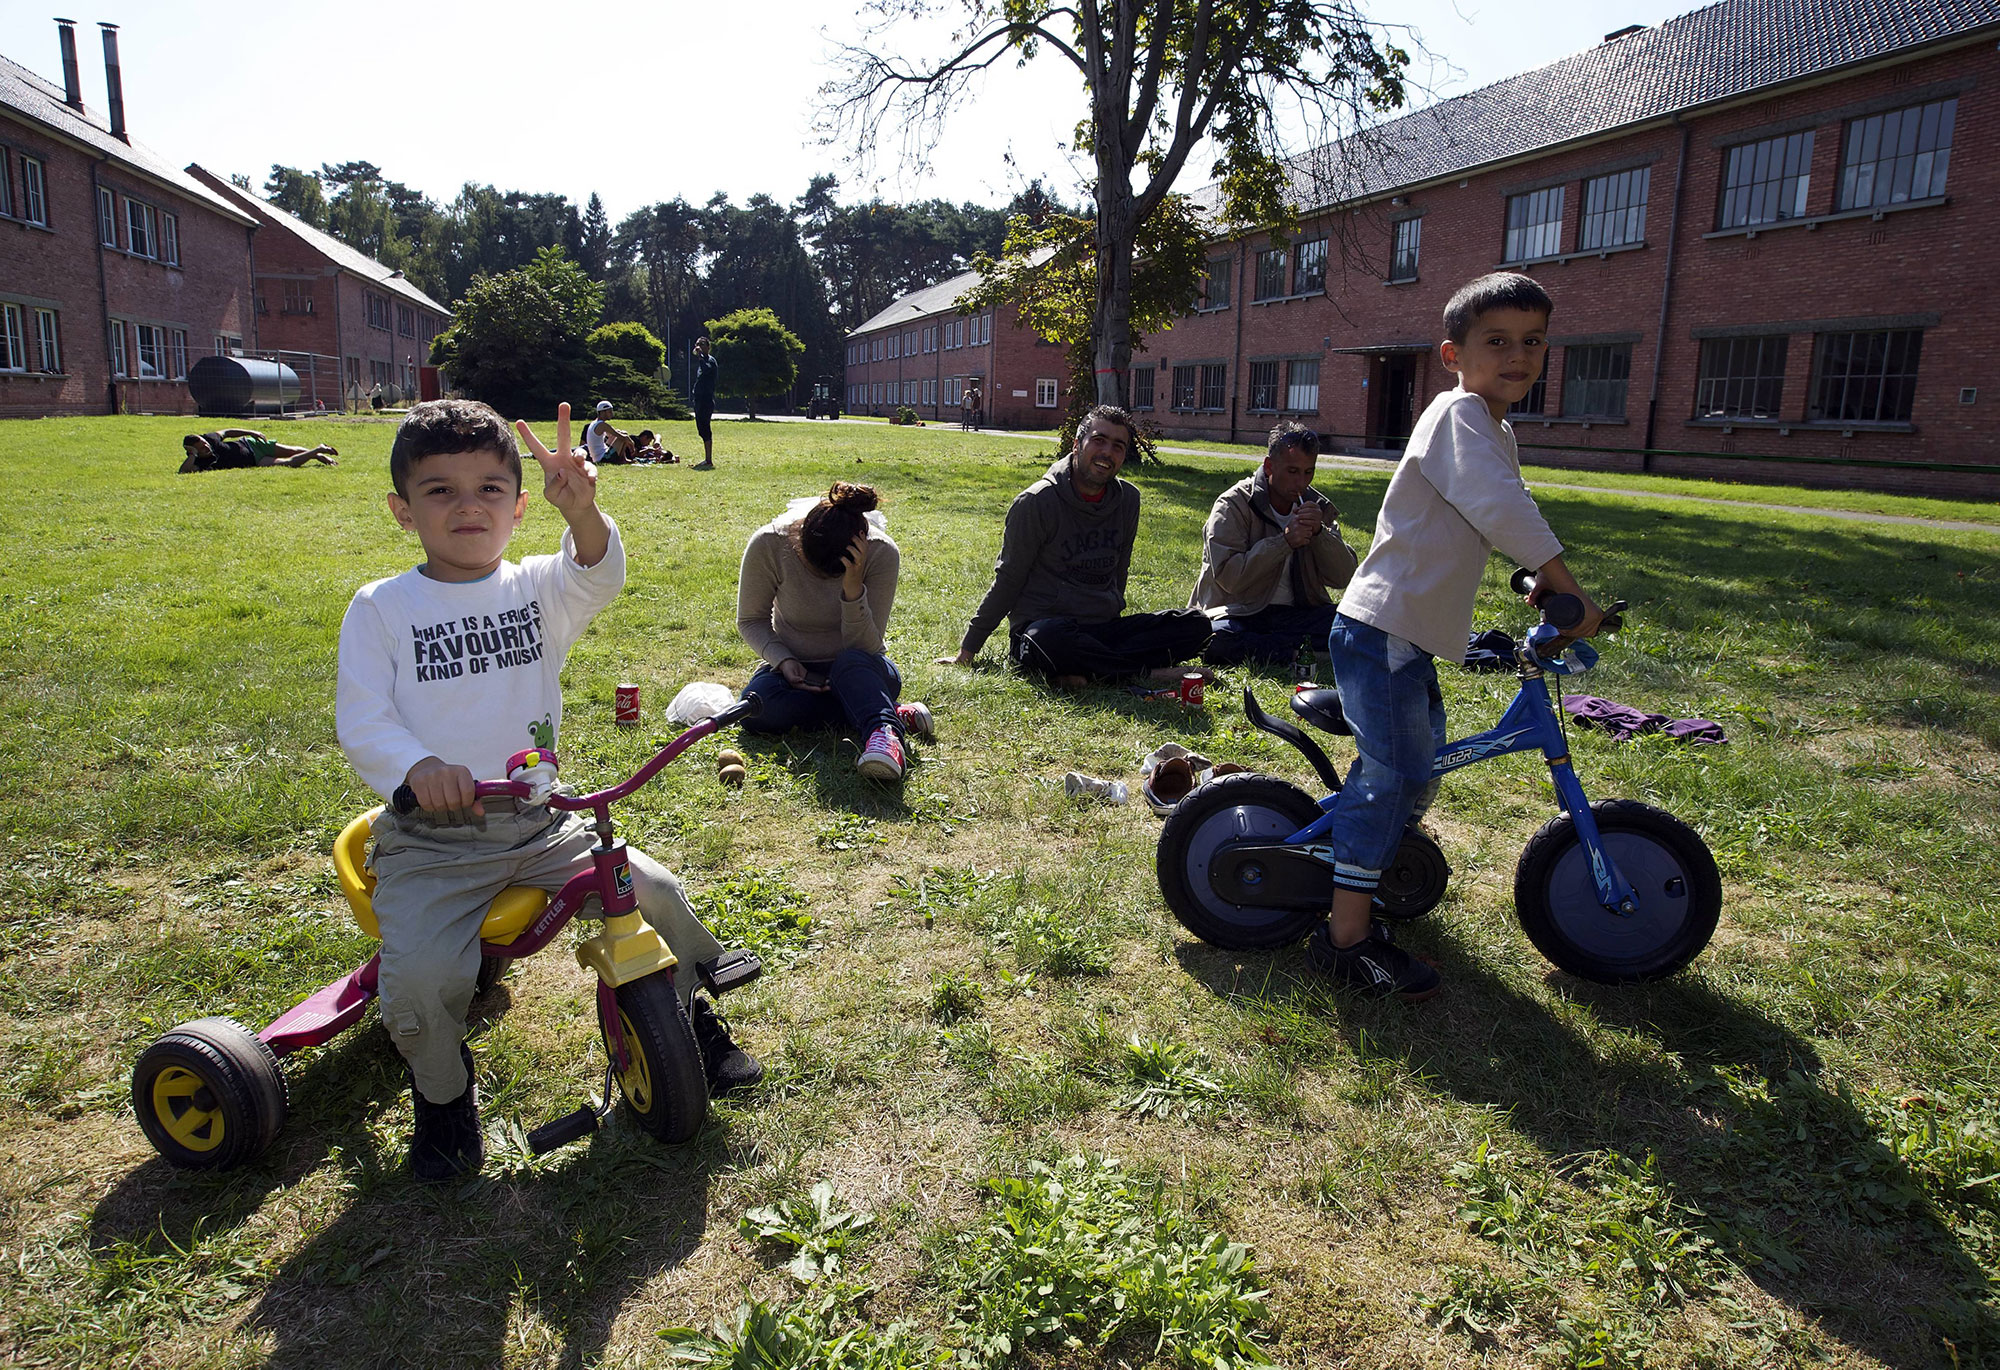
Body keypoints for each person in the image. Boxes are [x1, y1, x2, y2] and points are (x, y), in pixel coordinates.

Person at [335, 398, 761, 1182]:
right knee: (423, 982)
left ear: (520, 503)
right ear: (402, 510)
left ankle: (690, 1013)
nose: (469, 506)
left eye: (491, 489)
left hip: (539, 823)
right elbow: (364, 719)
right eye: (440, 491)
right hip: (434, 844)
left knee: (654, 890)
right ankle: (442, 1099)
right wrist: (416, 770)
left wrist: (587, 511)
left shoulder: (534, 589)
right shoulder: (383, 609)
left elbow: (596, 575)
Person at [1310, 272, 1607, 1001]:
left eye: (1532, 342)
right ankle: (1345, 938)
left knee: (1422, 766)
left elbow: (1500, 507)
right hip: (1384, 628)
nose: (1518, 356)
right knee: (1395, 776)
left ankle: (1363, 868)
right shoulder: (1457, 413)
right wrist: (1559, 578)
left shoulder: (1493, 425)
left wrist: (1538, 578)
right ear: (1453, 353)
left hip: (1406, 634)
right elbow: (1495, 502)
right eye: (1497, 341)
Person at [936, 404, 1211, 686]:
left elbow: (1120, 569)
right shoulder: (1037, 502)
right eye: (1099, 440)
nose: (1107, 453)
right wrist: (968, 651)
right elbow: (1008, 580)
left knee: (1196, 625)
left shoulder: (1128, 499)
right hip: (1044, 629)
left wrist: (1113, 618)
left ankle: (1086, 672)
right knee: (1047, 640)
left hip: (1102, 629)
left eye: (1118, 446)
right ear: (1077, 444)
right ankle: (1147, 674)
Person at [736, 482, 933, 782]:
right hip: (793, 671)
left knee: (849, 664)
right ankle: (882, 709)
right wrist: (784, 660)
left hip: (861, 669)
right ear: (797, 540)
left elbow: (867, 646)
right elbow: (751, 619)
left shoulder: (882, 553)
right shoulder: (770, 544)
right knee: (756, 708)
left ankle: (885, 733)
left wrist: (852, 591)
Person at [1189, 421, 1358, 666]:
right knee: (1213, 639)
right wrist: (1284, 542)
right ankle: (1299, 653)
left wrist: (1320, 534)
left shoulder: (1316, 507)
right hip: (1239, 612)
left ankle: (1275, 649)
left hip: (1297, 614)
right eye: (1292, 471)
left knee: (1357, 622)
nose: (1301, 482)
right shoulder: (1233, 504)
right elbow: (1229, 578)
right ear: (1269, 466)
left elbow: (1342, 577)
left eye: (1308, 472)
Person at [179, 429, 338, 472]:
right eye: (202, 447)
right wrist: (192, 454)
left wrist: (250, 432)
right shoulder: (199, 462)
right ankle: (318, 450)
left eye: (205, 443)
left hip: (251, 444)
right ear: (193, 451)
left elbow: (227, 432)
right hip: (254, 460)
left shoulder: (211, 438)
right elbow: (183, 471)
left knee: (292, 450)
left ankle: (319, 454)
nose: (207, 446)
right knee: (289, 463)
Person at [689, 337, 718, 470]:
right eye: (697, 345)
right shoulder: (702, 362)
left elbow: (706, 370)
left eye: (701, 345)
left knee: (705, 428)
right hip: (699, 399)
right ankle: (707, 459)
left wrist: (700, 357)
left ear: (708, 347)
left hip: (706, 400)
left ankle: (708, 460)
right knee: (701, 429)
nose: (698, 347)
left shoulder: (710, 361)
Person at [583, 400, 634, 465]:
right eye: (609, 412)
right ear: (602, 412)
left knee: (621, 432)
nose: (612, 414)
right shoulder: (602, 425)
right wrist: (632, 444)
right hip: (603, 458)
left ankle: (623, 459)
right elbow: (623, 437)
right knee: (623, 436)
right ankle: (622, 460)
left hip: (598, 457)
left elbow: (612, 435)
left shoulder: (595, 423)